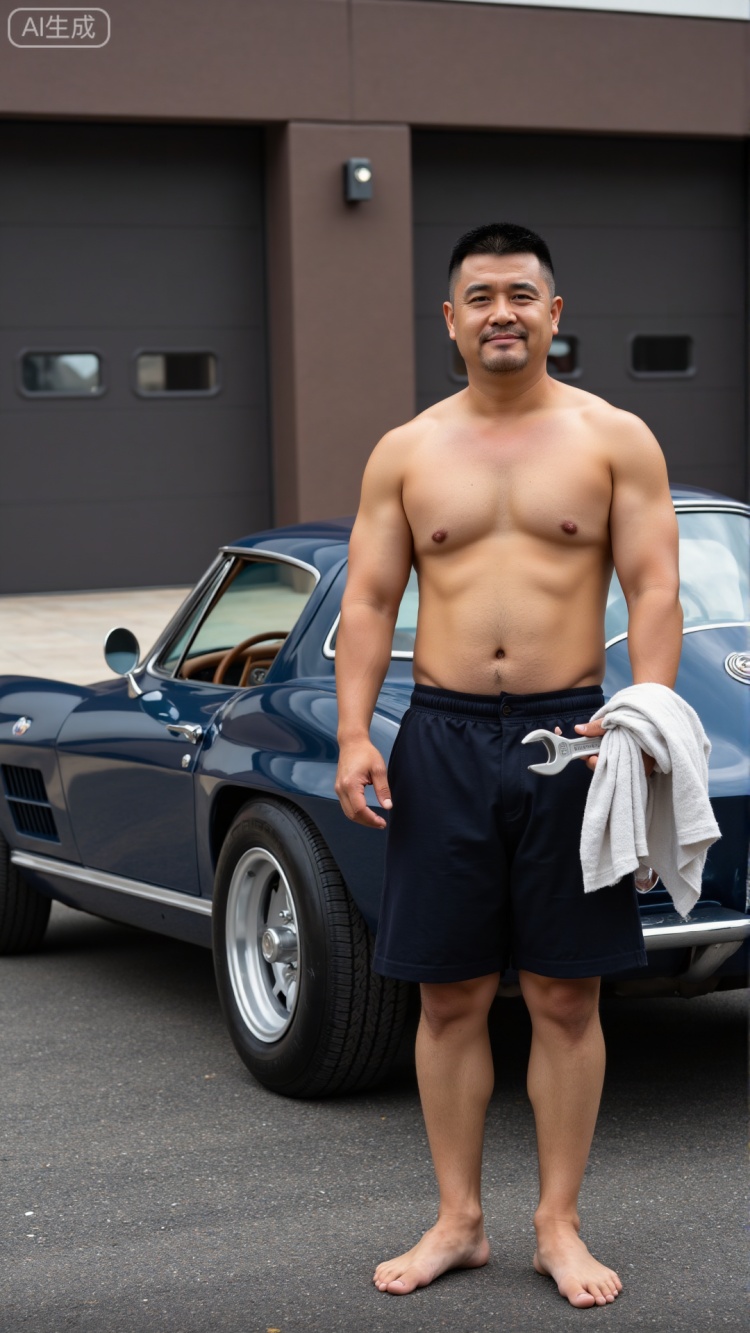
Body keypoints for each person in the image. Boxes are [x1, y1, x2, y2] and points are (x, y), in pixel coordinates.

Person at [334, 223, 682, 1309]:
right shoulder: (406, 451)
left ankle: (557, 1224)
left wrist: (645, 717)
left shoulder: (614, 438)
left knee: (567, 997)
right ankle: (459, 1219)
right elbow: (369, 600)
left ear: (553, 314)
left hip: (573, 739)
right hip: (439, 738)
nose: (501, 312)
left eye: (521, 295)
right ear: (450, 320)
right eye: (480, 295)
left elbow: (655, 587)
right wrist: (354, 732)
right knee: (448, 997)